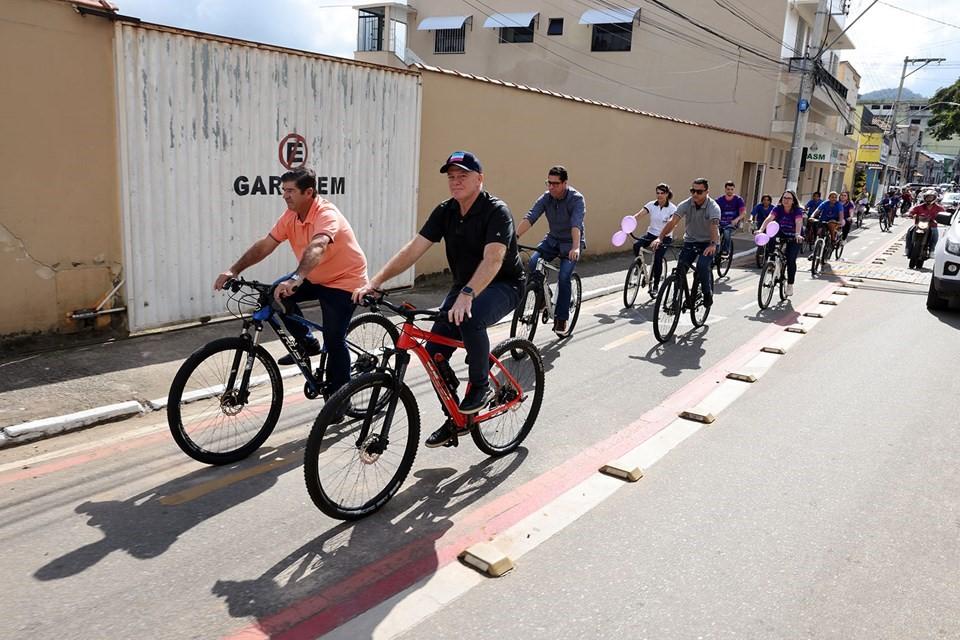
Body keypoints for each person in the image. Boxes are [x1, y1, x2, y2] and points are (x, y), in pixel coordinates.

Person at [352, 151, 524, 448]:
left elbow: (494, 258)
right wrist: (376, 282)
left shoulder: (497, 211)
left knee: (470, 316)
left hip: (504, 284)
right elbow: (413, 249)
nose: (455, 182)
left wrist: (467, 295)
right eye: (451, 177)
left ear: (479, 179)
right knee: (434, 353)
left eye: (463, 176)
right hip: (463, 286)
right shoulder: (445, 211)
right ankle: (456, 418)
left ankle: (480, 386)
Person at [214, 167, 368, 396]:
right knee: (273, 295)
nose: (285, 195)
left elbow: (318, 246)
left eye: (290, 191)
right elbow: (265, 245)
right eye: (283, 190)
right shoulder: (291, 217)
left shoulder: (326, 214)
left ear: (309, 192)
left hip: (344, 281)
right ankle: (306, 342)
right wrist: (233, 270)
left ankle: (341, 398)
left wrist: (297, 278)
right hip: (314, 276)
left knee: (334, 340)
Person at [516, 166, 586, 336]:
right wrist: (514, 237)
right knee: (533, 263)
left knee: (563, 276)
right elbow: (531, 216)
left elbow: (576, 224)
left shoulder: (576, 199)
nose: (551, 187)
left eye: (555, 184)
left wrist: (576, 247)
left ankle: (561, 318)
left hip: (571, 242)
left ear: (565, 183)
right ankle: (542, 297)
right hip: (552, 240)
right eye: (549, 183)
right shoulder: (546, 198)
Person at [650, 178, 720, 308]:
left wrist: (712, 244)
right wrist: (660, 237)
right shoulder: (686, 204)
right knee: (680, 268)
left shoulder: (713, 207)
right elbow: (672, 222)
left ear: (707, 192)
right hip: (690, 241)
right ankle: (675, 301)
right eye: (692, 190)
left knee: (702, 266)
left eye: (699, 192)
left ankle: (707, 293)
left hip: (708, 242)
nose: (695, 194)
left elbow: (714, 227)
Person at [627, 183, 677, 295]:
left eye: (662, 193)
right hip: (651, 234)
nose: (659, 195)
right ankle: (639, 267)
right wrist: (628, 223)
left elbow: (672, 224)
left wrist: (661, 238)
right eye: (657, 193)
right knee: (636, 245)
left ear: (667, 194)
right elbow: (639, 215)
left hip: (665, 236)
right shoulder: (651, 204)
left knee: (658, 258)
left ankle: (655, 286)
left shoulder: (672, 208)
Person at [758, 191, 804, 297]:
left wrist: (797, 234)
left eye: (789, 198)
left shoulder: (797, 211)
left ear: (793, 201)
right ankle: (771, 260)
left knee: (791, 259)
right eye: (784, 198)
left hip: (794, 237)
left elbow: (798, 222)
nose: (786, 200)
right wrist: (761, 230)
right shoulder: (777, 209)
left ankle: (790, 284)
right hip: (781, 233)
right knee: (770, 236)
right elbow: (769, 219)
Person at [905, 189, 944, 268]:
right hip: (918, 225)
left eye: (931, 197)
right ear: (924, 198)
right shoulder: (920, 206)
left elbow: (944, 213)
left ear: (934, 198)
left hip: (932, 226)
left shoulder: (939, 208)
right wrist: (909, 214)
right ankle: (907, 248)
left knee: (935, 235)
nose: (929, 199)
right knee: (909, 231)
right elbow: (911, 210)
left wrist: (941, 218)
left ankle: (932, 250)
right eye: (927, 197)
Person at [716, 180, 747, 256]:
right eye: (728, 189)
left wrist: (736, 220)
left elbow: (743, 213)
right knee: (714, 234)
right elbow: (714, 211)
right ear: (725, 189)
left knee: (726, 232)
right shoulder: (719, 200)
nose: (730, 191)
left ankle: (725, 250)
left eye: (732, 189)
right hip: (720, 223)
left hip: (731, 224)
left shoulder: (738, 200)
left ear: (734, 189)